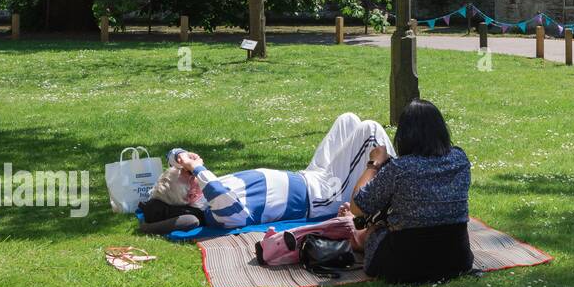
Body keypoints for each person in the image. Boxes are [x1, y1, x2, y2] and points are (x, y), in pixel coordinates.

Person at [149, 113, 395, 233]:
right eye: (189, 176)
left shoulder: (205, 188)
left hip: (309, 176)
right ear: (190, 196)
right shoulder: (216, 211)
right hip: (320, 196)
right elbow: (232, 210)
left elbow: (172, 154)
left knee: (347, 120)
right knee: (369, 129)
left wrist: (180, 157)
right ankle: (402, 187)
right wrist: (198, 169)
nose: (194, 175)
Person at [348, 99, 473, 285]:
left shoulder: (400, 168)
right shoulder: (460, 159)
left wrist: (374, 164)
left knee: (370, 231)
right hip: (457, 261)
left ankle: (362, 239)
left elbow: (357, 206)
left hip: (402, 266)